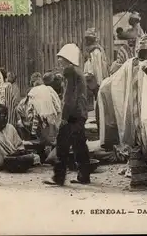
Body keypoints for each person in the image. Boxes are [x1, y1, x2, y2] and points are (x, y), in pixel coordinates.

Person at [107, 34, 147, 187]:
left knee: (137, 143)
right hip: (146, 113)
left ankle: (138, 176)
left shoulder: (130, 63)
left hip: (133, 113)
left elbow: (112, 82)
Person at [44, 43, 91, 186]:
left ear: (68, 58)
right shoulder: (78, 72)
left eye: (61, 58)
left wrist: (64, 118)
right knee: (79, 145)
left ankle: (58, 177)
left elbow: (69, 98)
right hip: (81, 114)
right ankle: (84, 176)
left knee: (62, 145)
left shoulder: (69, 71)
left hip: (72, 115)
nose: (59, 60)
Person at [16, 72, 62, 148]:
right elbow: (58, 106)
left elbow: (29, 111)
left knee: (20, 124)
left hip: (40, 121)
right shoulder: (49, 89)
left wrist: (31, 126)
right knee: (52, 139)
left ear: (32, 83)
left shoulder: (32, 92)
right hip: (53, 120)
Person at [0, 104, 40, 169]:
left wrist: (21, 151)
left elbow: (19, 145)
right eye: (1, 117)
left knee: (36, 157)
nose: (5, 120)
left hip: (14, 157)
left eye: (6, 117)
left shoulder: (10, 127)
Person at [83, 27, 110, 111]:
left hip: (96, 78)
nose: (87, 41)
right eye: (86, 39)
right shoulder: (90, 51)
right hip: (91, 77)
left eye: (89, 39)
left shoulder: (96, 51)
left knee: (98, 96)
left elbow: (98, 69)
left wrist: (99, 82)